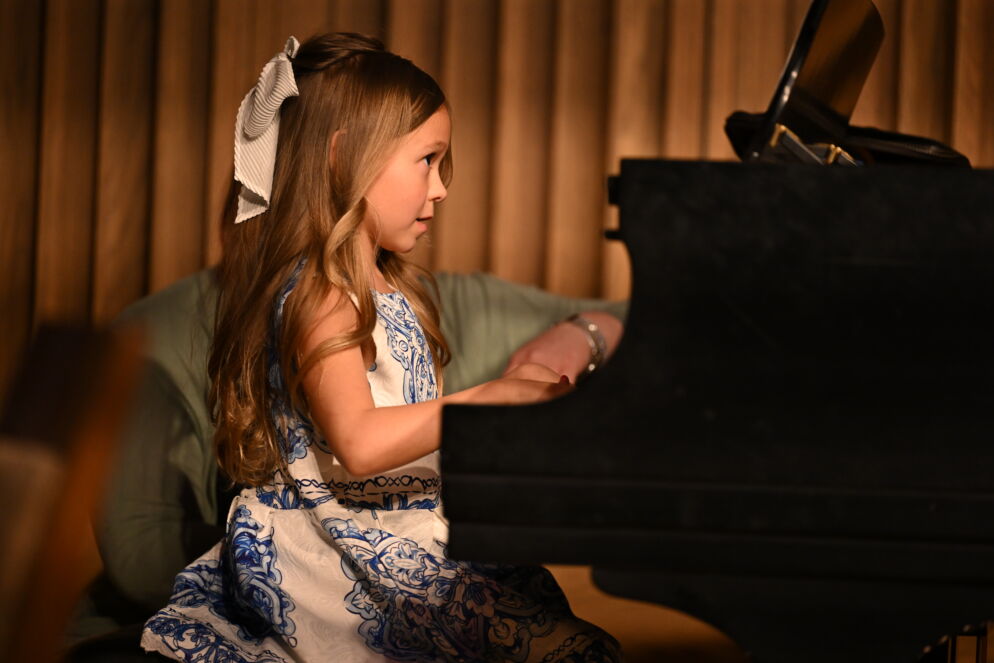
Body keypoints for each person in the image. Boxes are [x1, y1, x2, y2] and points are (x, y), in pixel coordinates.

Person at [139, 33, 623, 662]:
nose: (441, 187)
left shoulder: (387, 285)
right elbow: (361, 443)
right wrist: (491, 397)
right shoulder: (320, 292)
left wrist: (527, 382)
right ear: (344, 158)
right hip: (339, 550)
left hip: (406, 528)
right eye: (427, 160)